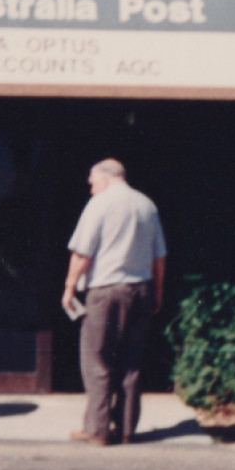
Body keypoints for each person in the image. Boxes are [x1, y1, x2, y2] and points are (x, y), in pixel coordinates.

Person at [62, 159, 166, 446]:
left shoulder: (99, 204)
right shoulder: (147, 205)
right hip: (141, 289)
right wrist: (157, 292)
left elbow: (82, 252)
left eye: (92, 182)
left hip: (106, 291)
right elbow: (159, 257)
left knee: (96, 359)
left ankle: (97, 430)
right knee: (131, 361)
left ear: (106, 179)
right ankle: (126, 429)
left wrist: (70, 287)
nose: (91, 188)